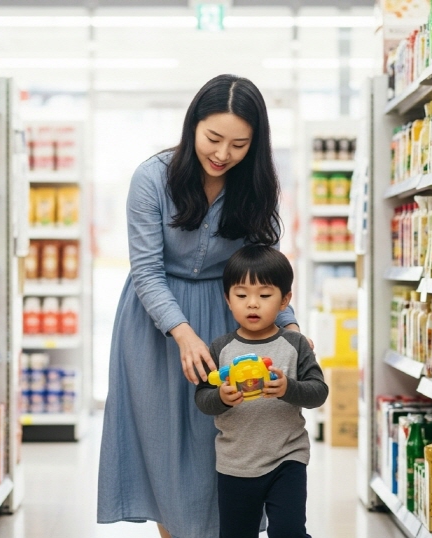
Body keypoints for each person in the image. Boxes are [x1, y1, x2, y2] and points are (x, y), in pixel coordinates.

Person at [97, 74, 304, 538]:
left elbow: (263, 265)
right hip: (155, 327)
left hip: (226, 319)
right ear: (193, 126)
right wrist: (182, 332)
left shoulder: (256, 187)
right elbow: (146, 271)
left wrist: (288, 324)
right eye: (213, 138)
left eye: (239, 144)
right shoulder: (151, 178)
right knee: (164, 450)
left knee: (224, 442)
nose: (223, 154)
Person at [195, 245, 327, 538]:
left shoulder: (296, 344)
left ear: (285, 300)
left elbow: (319, 392)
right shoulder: (220, 348)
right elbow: (203, 397)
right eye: (241, 295)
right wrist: (221, 398)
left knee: (289, 531)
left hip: (287, 457)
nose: (252, 304)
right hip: (236, 463)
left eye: (265, 295)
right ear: (228, 300)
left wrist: (288, 388)